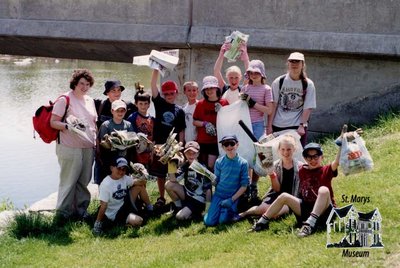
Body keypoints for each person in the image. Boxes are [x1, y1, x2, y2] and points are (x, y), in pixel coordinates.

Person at [249, 142, 340, 238]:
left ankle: (309, 225)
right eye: (309, 157)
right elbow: (280, 167)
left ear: (322, 157)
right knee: (284, 196)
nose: (312, 160)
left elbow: (337, 162)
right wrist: (263, 154)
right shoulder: (302, 170)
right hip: (306, 210)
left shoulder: (326, 170)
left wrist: (342, 143)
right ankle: (262, 223)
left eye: (316, 156)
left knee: (324, 190)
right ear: (305, 158)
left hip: (325, 212)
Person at [50, 69, 97, 220]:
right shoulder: (65, 99)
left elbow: (92, 123)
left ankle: (81, 211)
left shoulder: (89, 100)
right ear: (75, 83)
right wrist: (68, 127)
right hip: (69, 146)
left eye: (87, 84)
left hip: (88, 147)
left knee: (84, 181)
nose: (84, 87)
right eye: (81, 83)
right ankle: (63, 214)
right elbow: (53, 122)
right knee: (69, 181)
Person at [238, 135, 303, 220]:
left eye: (289, 149)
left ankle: (261, 219)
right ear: (279, 150)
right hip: (276, 194)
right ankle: (245, 213)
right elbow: (276, 189)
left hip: (291, 197)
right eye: (283, 149)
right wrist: (272, 175)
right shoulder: (275, 165)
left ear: (294, 149)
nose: (286, 152)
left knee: (275, 213)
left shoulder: (301, 167)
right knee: (261, 209)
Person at [150, 69, 186, 210]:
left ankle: (174, 199)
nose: (170, 96)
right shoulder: (159, 104)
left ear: (177, 93)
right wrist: (156, 70)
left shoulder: (180, 110)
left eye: (172, 93)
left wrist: (181, 144)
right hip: (159, 145)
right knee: (160, 174)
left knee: (172, 174)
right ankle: (161, 197)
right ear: (163, 94)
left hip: (173, 148)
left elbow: (181, 129)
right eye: (167, 94)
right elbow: (153, 85)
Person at [239, 59, 274, 201]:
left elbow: (269, 110)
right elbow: (239, 106)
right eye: (251, 72)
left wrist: (253, 103)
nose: (254, 75)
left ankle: (254, 184)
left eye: (256, 73)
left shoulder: (267, 89)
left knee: (258, 154)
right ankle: (246, 185)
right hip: (244, 124)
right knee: (245, 155)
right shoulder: (245, 88)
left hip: (258, 124)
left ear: (262, 74)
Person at [92, 158, 152, 235]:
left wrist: (144, 174)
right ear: (111, 168)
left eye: (123, 169)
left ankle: (150, 209)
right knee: (139, 221)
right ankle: (120, 224)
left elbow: (139, 182)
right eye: (119, 168)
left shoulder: (124, 178)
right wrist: (97, 224)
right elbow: (103, 206)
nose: (121, 171)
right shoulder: (106, 184)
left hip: (124, 205)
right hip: (115, 213)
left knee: (140, 186)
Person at [268, 52, 316, 146]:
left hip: (297, 126)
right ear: (288, 64)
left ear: (303, 64)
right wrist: (269, 126)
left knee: (296, 156)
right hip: (278, 125)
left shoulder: (308, 84)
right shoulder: (279, 82)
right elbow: (274, 104)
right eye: (292, 61)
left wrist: (302, 125)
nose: (294, 64)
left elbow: (308, 107)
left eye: (297, 61)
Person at [94, 80, 137, 184]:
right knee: (103, 180)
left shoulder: (128, 105)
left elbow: (142, 111)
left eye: (119, 90)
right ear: (107, 93)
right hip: (105, 152)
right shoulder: (100, 105)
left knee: (123, 180)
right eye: (113, 90)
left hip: (123, 153)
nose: (117, 93)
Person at [204, 135, 248, 226]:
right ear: (223, 147)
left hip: (232, 197)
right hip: (219, 195)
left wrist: (231, 200)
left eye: (232, 143)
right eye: (226, 144)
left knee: (222, 221)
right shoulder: (219, 162)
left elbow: (244, 186)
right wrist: (211, 180)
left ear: (237, 145)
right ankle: (211, 212)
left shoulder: (243, 163)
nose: (229, 147)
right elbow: (216, 181)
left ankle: (231, 211)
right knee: (209, 222)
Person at [165, 141, 212, 220]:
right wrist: (171, 162)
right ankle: (179, 207)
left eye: (194, 153)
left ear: (198, 154)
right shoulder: (185, 165)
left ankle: (196, 213)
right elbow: (173, 180)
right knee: (168, 184)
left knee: (180, 217)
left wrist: (207, 210)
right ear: (184, 153)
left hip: (198, 200)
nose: (191, 155)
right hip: (187, 194)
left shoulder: (202, 168)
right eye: (188, 153)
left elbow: (208, 190)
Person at [193, 76, 229, 171]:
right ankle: (205, 185)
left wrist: (222, 112)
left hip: (217, 141)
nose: (209, 91)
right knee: (202, 167)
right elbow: (195, 121)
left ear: (217, 88)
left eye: (211, 88)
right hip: (203, 141)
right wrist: (205, 124)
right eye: (206, 89)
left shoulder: (224, 102)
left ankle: (215, 184)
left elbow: (230, 121)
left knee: (211, 166)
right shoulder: (200, 104)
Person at [127, 89, 155, 169]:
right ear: (136, 104)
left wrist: (152, 152)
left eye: (146, 103)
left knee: (148, 175)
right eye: (141, 104)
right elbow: (130, 137)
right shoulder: (132, 118)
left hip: (149, 153)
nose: (143, 106)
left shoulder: (152, 119)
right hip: (136, 154)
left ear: (149, 104)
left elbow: (154, 137)